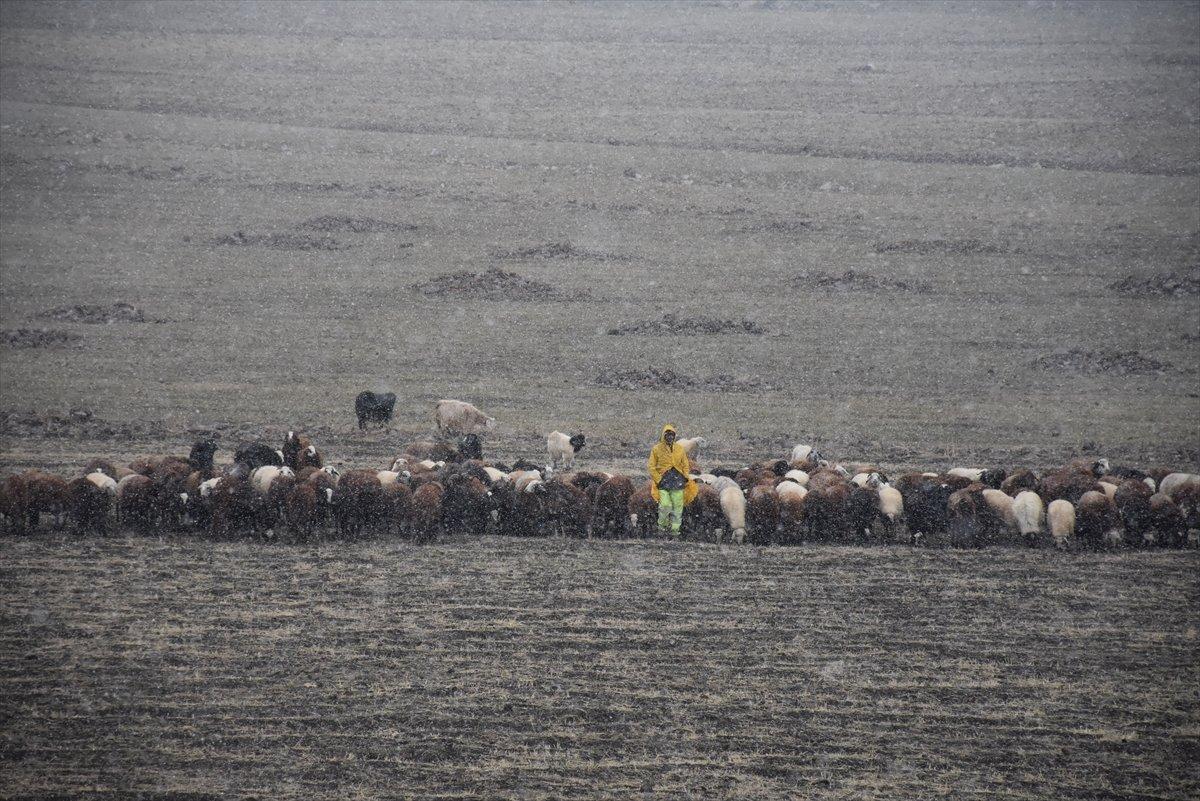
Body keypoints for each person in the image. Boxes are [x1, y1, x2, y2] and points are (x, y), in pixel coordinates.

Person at [647, 423, 698, 536]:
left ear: (674, 436)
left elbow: (685, 464)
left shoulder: (679, 449)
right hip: (663, 481)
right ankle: (662, 528)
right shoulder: (656, 449)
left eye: (672, 435)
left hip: (677, 481)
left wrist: (685, 476)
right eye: (667, 435)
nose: (670, 437)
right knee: (665, 505)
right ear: (663, 436)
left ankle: (675, 531)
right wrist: (658, 479)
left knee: (677, 508)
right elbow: (651, 466)